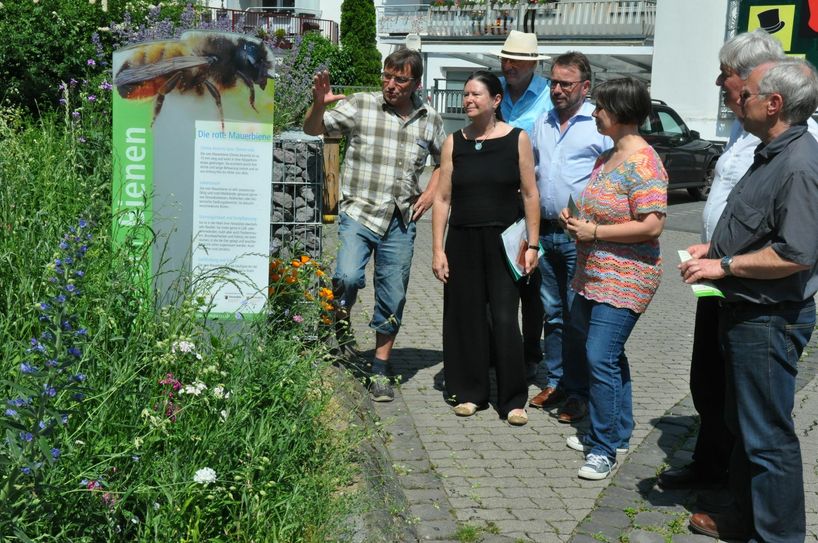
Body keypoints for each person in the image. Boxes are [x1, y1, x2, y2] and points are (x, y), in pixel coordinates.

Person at [659, 30, 818, 495]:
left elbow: (796, 244)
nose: (721, 84)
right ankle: (717, 473)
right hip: (721, 279)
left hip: (758, 292)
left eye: (729, 78)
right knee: (712, 384)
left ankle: (752, 507)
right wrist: (715, 254)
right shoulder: (745, 127)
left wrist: (726, 263)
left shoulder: (794, 142)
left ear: (762, 89)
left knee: (757, 415)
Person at [303, 49, 447, 402]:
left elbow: (445, 161)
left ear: (416, 83)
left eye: (400, 79)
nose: (390, 84)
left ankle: (380, 367)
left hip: (401, 219)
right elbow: (312, 129)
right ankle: (340, 319)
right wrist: (319, 104)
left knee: (393, 294)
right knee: (347, 277)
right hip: (359, 211)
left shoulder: (430, 119)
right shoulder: (362, 104)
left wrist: (429, 192)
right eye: (387, 76)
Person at [561, 77, 667, 480]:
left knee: (599, 356)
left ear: (621, 112)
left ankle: (602, 447)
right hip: (594, 271)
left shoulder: (645, 163)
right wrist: (577, 221)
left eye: (601, 107)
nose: (594, 113)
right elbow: (600, 209)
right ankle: (619, 432)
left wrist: (595, 233)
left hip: (627, 275)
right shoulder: (606, 157)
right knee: (607, 354)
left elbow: (652, 224)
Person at [431, 71, 540, 426]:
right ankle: (470, 393)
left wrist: (533, 245)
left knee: (507, 319)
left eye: (475, 94)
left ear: (496, 101)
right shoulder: (454, 142)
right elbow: (443, 199)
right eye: (465, 94)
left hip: (503, 241)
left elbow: (529, 194)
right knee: (467, 318)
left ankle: (512, 399)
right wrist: (437, 249)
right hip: (462, 240)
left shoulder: (516, 139)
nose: (467, 100)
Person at [528, 52, 613, 422]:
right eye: (553, 82)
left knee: (580, 316)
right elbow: (531, 171)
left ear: (585, 87)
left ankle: (580, 392)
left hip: (581, 238)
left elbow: (612, 178)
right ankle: (559, 382)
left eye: (566, 83)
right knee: (554, 316)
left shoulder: (598, 125)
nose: (557, 89)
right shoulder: (542, 122)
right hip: (545, 234)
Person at [496, 30, 552, 378]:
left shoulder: (547, 95)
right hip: (497, 201)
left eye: (516, 60)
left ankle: (531, 352)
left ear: (532, 64)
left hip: (530, 203)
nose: (509, 65)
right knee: (498, 279)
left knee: (532, 283)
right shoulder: (495, 89)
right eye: (505, 58)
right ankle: (498, 348)